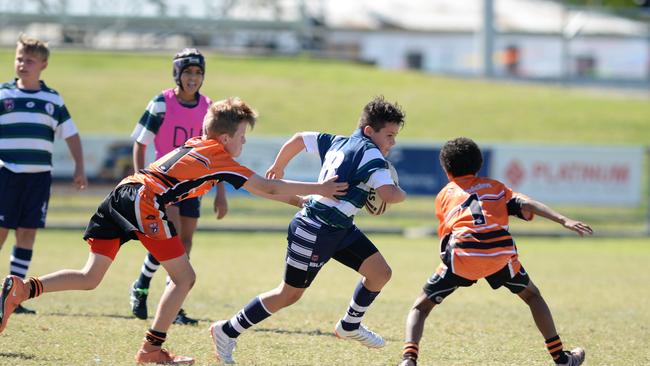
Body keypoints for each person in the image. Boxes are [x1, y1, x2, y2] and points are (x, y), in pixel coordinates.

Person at [0, 97, 348, 365]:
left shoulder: (200, 145)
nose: (243, 144)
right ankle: (152, 349)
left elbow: (263, 189)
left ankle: (23, 289)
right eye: (242, 137)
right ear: (226, 138)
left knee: (91, 276)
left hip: (123, 194)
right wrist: (322, 189)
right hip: (144, 200)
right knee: (184, 278)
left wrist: (298, 200)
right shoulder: (220, 156)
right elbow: (267, 187)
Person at [210, 95, 407, 364]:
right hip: (314, 229)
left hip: (340, 228)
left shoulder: (340, 141)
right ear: (369, 131)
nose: (392, 142)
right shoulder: (372, 155)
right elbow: (388, 194)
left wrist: (279, 165)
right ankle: (227, 330)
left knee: (380, 272)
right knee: (288, 294)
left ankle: (350, 324)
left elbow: (299, 138)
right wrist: (400, 192)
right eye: (389, 135)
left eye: (395, 136)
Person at [398, 137, 593, 366]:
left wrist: (452, 267)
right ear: (478, 165)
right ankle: (561, 358)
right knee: (532, 296)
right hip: (499, 255)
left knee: (421, 307)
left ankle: (409, 359)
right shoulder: (496, 187)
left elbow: (446, 239)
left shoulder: (444, 195)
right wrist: (563, 220)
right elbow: (527, 205)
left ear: (446, 169)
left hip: (462, 254)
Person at [129, 48, 227, 325]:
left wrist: (220, 192)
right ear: (177, 74)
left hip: (194, 186)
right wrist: (140, 179)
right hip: (164, 184)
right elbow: (140, 142)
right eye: (188, 72)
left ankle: (166, 299)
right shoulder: (161, 103)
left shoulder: (209, 107)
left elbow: (216, 152)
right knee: (169, 241)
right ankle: (146, 288)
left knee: (185, 243)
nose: (193, 78)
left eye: (198, 73)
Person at [0, 35, 87, 315]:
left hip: (38, 179)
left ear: (43, 65)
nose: (23, 64)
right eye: (19, 59)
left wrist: (79, 167)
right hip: (7, 174)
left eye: (30, 60)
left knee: (27, 234)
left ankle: (13, 294)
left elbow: (71, 134)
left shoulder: (52, 99)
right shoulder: (4, 95)